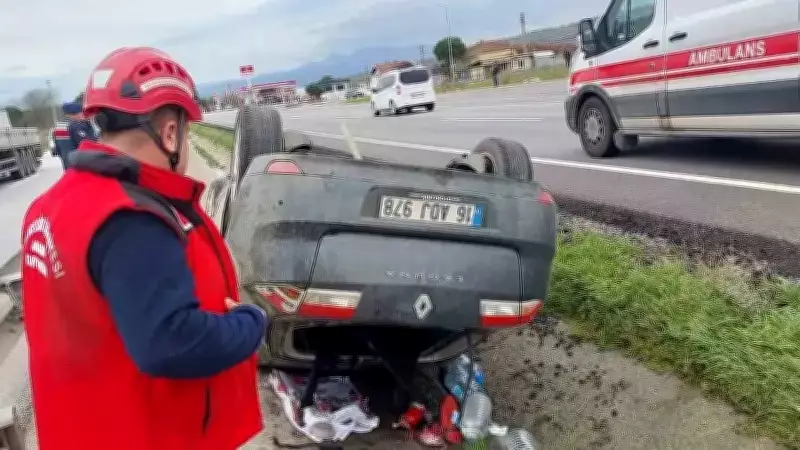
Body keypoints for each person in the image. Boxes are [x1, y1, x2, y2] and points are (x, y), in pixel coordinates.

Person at [21, 47, 266, 450]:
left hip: (83, 425)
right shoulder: (130, 219)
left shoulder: (51, 206)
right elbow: (171, 341)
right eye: (185, 132)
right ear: (171, 132)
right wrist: (251, 324)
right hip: (142, 432)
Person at [51, 100, 97, 169]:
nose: (84, 116)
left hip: (68, 165)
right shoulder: (77, 126)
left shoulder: (59, 127)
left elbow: (57, 149)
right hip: (81, 166)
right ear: (72, 115)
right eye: (81, 113)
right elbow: (88, 144)